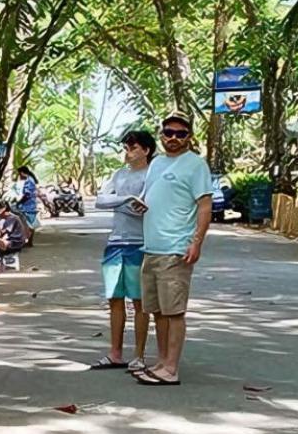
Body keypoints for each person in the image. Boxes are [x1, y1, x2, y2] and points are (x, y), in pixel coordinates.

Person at [132, 112, 213, 386]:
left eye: (181, 134)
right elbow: (152, 196)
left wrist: (196, 241)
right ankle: (162, 361)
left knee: (174, 311)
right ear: (161, 134)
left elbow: (204, 205)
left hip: (176, 248)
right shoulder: (156, 164)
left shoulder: (196, 165)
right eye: (169, 133)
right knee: (157, 310)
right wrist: (142, 204)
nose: (174, 139)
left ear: (189, 137)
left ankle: (171, 368)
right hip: (151, 247)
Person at [90, 130, 154, 371]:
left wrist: (122, 202)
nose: (128, 152)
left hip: (139, 243)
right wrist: (126, 199)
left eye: (133, 147)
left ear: (146, 150)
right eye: (126, 148)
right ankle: (115, 353)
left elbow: (144, 207)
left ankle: (138, 355)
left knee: (139, 301)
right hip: (115, 243)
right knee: (114, 299)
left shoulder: (151, 175)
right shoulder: (118, 174)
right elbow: (100, 200)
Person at [15, 166, 40, 238]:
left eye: (19, 174)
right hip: (31, 205)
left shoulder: (28, 181)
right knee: (31, 223)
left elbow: (27, 194)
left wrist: (19, 202)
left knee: (27, 224)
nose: (19, 176)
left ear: (22, 173)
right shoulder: (31, 180)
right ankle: (29, 241)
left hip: (27, 205)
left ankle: (28, 240)